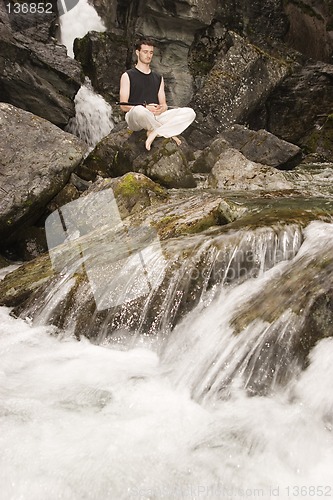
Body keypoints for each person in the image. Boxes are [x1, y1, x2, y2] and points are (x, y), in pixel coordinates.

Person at [119, 38, 196, 151]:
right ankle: (166, 131)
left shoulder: (158, 78)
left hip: (156, 117)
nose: (148, 55)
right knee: (139, 110)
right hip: (136, 117)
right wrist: (146, 107)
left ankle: (155, 132)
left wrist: (161, 109)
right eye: (145, 52)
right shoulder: (127, 76)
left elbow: (164, 105)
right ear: (137, 52)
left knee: (190, 113)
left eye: (151, 52)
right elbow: (123, 106)